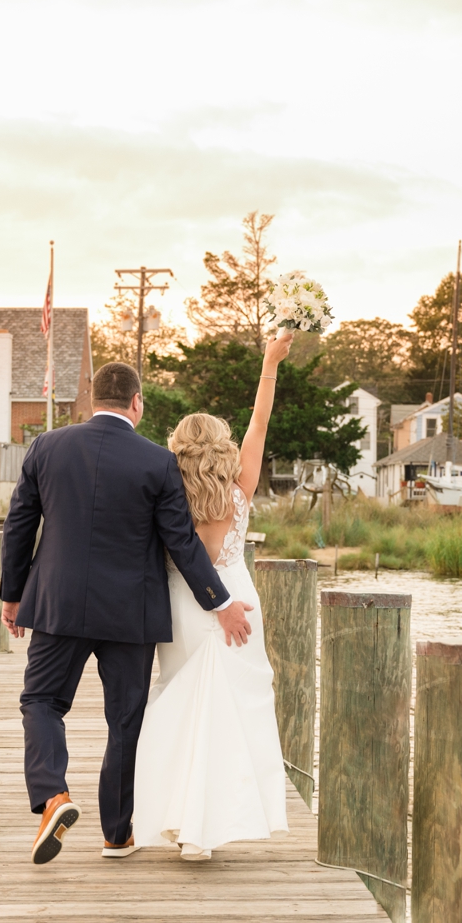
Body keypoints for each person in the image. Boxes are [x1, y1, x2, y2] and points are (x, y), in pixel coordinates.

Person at [0, 361, 256, 865]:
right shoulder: (157, 461)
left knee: (42, 702)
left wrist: (14, 595)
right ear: (137, 402)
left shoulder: (46, 447)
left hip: (58, 603)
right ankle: (117, 836)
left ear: (93, 399)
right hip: (131, 612)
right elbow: (181, 543)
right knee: (126, 722)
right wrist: (221, 603)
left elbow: (19, 524)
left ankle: (54, 795)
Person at [131, 332, 294, 860]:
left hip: (182, 604)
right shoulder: (239, 485)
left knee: (180, 705)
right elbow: (261, 422)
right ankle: (206, 828)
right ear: (222, 445)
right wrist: (270, 362)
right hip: (236, 600)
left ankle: (183, 823)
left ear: (178, 447)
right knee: (229, 713)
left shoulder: (165, 484)